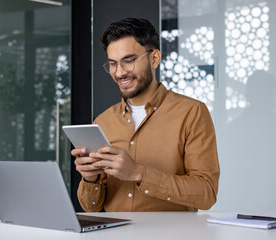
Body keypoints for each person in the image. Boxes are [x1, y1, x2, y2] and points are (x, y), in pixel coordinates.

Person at [71, 18, 220, 212]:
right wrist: (91, 178)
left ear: (154, 59)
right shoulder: (103, 122)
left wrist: (138, 173)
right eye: (113, 64)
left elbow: (207, 194)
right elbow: (91, 207)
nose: (120, 73)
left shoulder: (192, 113)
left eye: (129, 61)